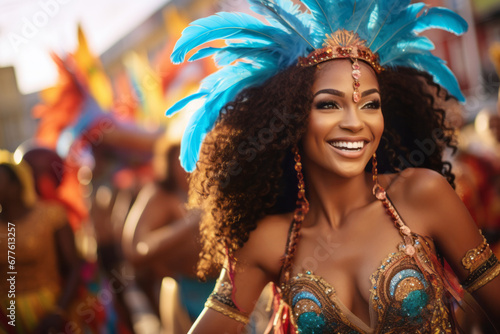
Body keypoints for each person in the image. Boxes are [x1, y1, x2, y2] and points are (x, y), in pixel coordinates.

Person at [165, 0, 500, 333]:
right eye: (329, 104)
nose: (355, 123)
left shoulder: (421, 195)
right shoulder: (270, 241)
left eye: (370, 104)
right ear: (291, 119)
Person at [0, 150, 82, 334]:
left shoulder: (51, 215)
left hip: (48, 309)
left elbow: (74, 267)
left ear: (16, 186)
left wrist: (58, 312)